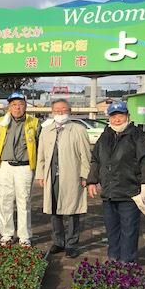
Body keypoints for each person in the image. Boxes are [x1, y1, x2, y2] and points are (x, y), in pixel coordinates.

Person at [87, 101, 145, 263]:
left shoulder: (137, 135)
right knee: (112, 230)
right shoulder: (105, 136)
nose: (117, 119)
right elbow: (96, 160)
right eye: (114, 116)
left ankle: (127, 262)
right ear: (109, 118)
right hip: (109, 193)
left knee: (129, 230)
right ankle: (113, 258)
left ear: (127, 116)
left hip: (129, 193)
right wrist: (92, 181)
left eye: (121, 115)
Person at [35, 99, 91, 258]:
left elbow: (85, 156)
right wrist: (40, 174)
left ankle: (72, 243)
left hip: (72, 176)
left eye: (63, 109)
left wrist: (85, 175)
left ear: (70, 111)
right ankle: (58, 241)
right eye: (57, 110)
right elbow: (41, 155)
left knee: (73, 210)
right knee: (54, 209)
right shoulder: (47, 130)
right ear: (52, 112)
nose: (60, 112)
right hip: (52, 175)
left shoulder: (78, 130)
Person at [0, 92, 40, 247]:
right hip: (5, 166)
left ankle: (25, 236)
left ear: (25, 105)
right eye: (14, 104)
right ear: (9, 107)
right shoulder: (0, 122)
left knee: (24, 201)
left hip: (25, 167)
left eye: (20, 104)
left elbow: (39, 145)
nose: (17, 107)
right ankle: (6, 234)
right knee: (5, 200)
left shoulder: (34, 122)